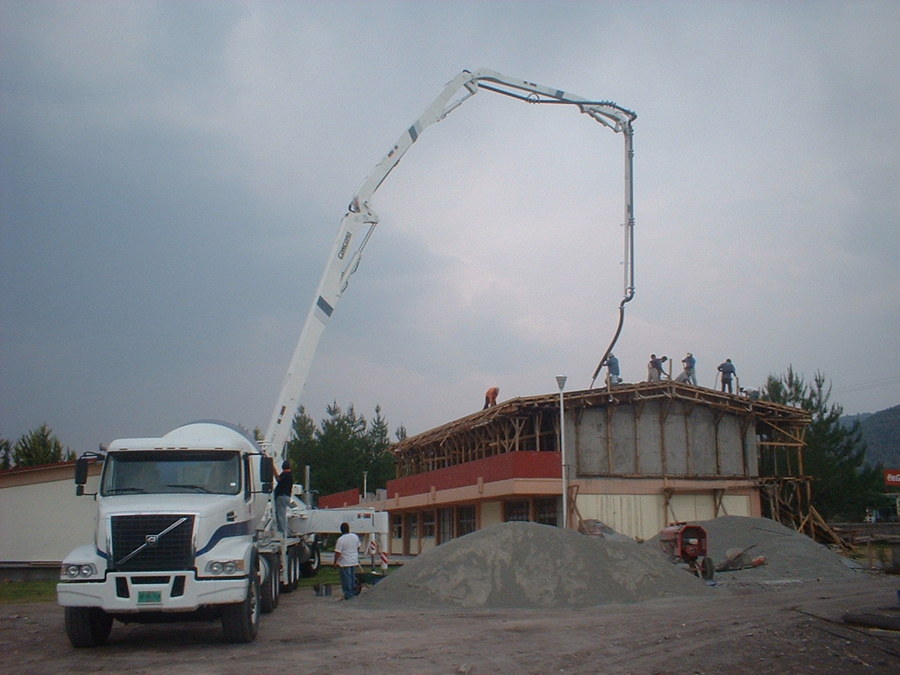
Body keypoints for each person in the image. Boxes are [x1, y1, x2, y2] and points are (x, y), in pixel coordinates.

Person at [333, 522, 361, 600]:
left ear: (341, 530)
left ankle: (348, 594)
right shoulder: (355, 537)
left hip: (345, 562)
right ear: (349, 529)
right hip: (354, 560)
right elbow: (358, 547)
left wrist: (335, 562)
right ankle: (353, 592)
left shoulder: (341, 540)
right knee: (352, 578)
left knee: (346, 579)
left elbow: (338, 552)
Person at [273, 460, 293, 535]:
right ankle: (284, 530)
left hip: (281, 497)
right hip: (287, 497)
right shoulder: (290, 475)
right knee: (282, 513)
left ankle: (284, 532)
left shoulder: (285, 474)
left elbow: (279, 480)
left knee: (280, 515)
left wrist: (273, 470)